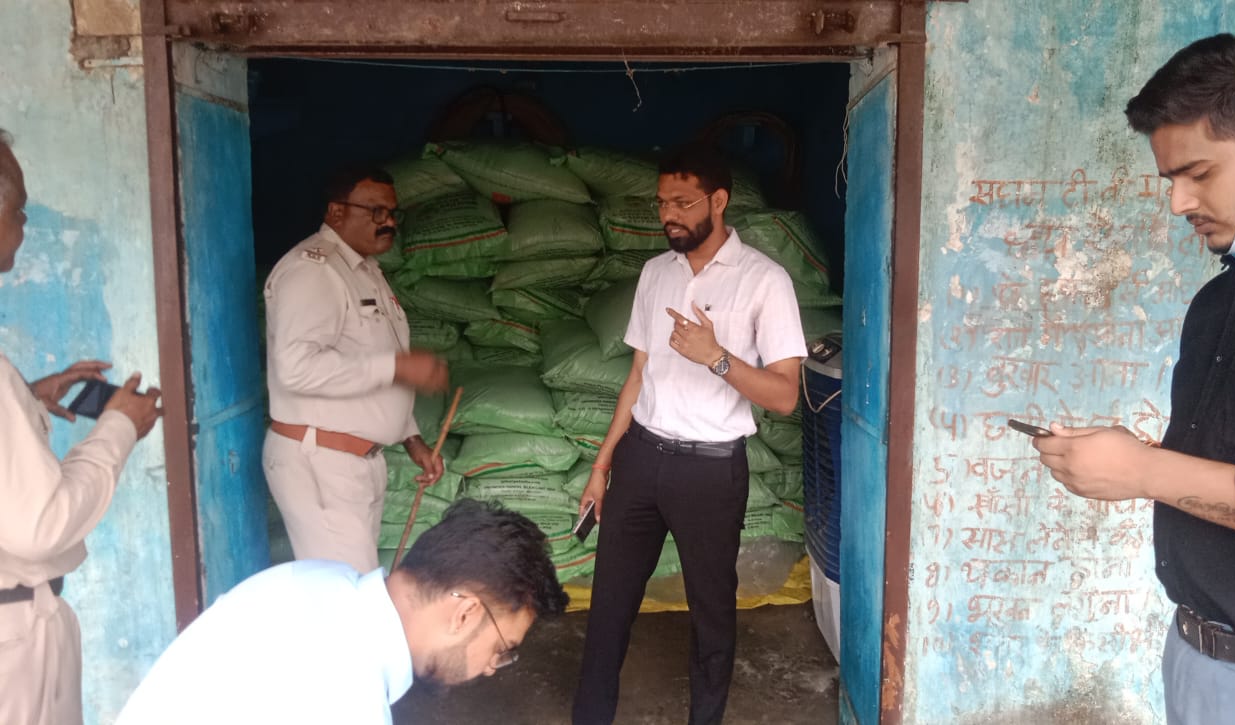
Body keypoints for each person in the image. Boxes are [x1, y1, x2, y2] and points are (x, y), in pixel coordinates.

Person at [1032, 33, 1235, 723]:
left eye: (1198, 172)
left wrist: (1143, 470)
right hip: (1197, 657)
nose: (1178, 203)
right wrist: (1128, 459)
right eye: (1170, 179)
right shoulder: (1220, 302)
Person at [572, 146, 808, 725]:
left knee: (711, 614)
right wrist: (601, 467)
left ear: (718, 201)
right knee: (609, 605)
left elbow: (785, 395)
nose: (668, 215)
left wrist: (717, 358)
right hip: (640, 459)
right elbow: (637, 375)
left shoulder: (765, 281)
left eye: (682, 202)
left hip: (710, 471)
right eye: (662, 204)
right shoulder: (656, 274)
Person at [115, 498, 568, 724]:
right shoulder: (348, 696)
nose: (491, 668)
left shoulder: (322, 579)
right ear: (464, 614)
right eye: (502, 649)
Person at [0, 129, 164, 725]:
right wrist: (118, 427)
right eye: (20, 210)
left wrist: (26, 398)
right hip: (14, 646)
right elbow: (39, 529)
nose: (24, 225)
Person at [263, 165, 449, 573]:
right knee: (344, 591)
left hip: (354, 462)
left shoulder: (365, 271)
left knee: (352, 584)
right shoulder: (313, 271)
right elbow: (297, 367)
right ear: (336, 212)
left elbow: (374, 358)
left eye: (393, 213)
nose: (389, 222)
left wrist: (412, 439)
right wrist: (397, 367)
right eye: (376, 212)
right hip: (321, 461)